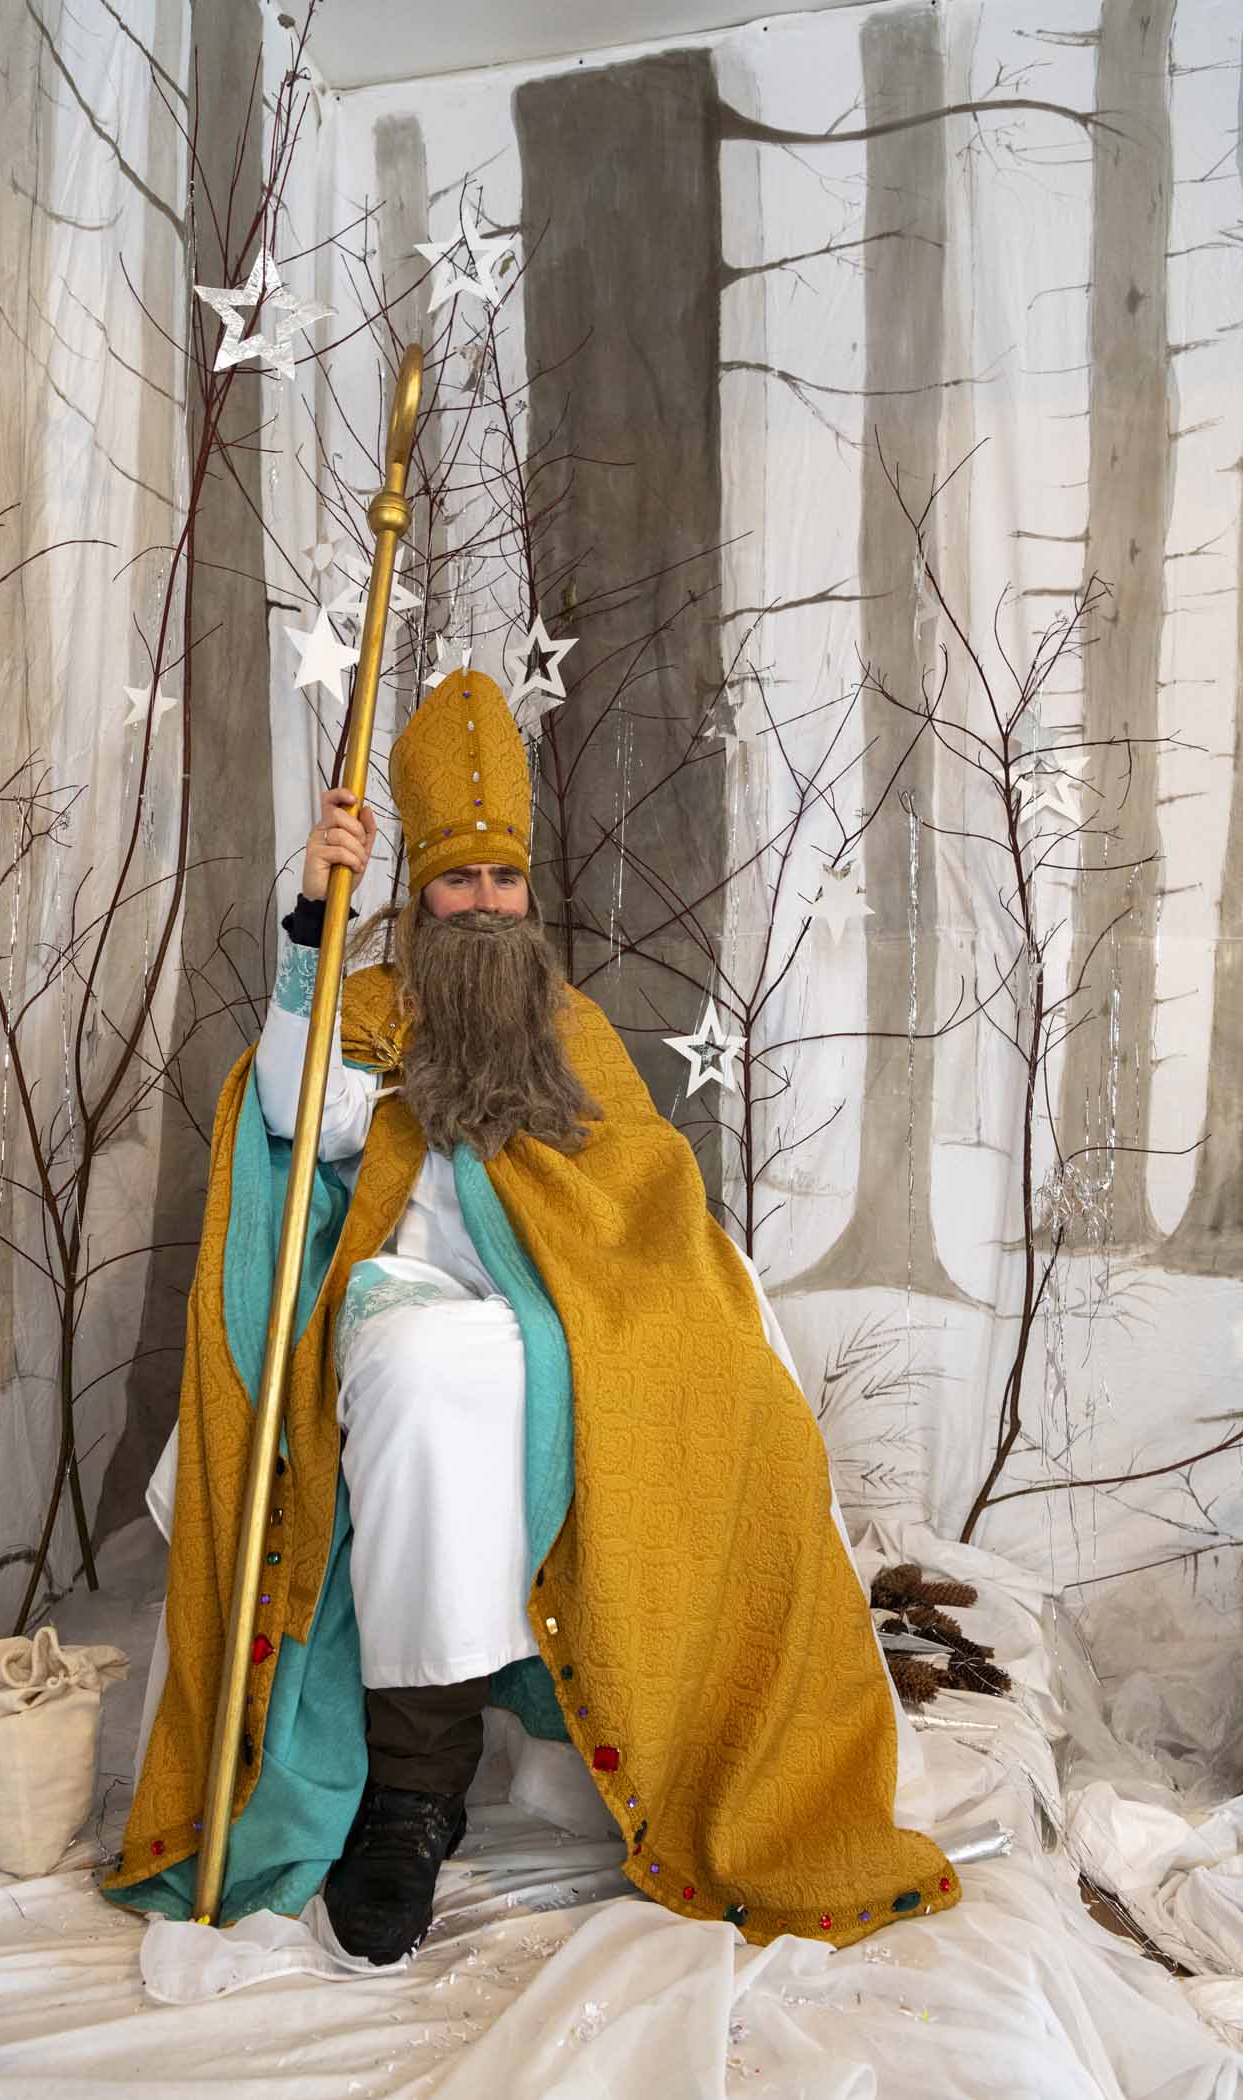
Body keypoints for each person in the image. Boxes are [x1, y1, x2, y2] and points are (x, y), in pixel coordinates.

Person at [104, 668, 957, 1964]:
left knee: (713, 1380)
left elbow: (638, 1192)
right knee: (422, 1382)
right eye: (461, 881)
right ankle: (411, 1791)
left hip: (556, 1314)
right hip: (405, 1302)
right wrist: (313, 922)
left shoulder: (570, 1028)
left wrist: (656, 1296)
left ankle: (668, 1738)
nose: (489, 902)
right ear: (422, 894)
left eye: (505, 879)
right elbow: (288, 1115)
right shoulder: (368, 1010)